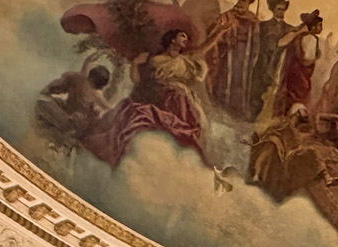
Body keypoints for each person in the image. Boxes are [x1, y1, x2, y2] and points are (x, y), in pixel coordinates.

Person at [84, 24, 228, 168]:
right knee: (164, 128)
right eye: (182, 35)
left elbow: (204, 47)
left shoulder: (185, 58)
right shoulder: (157, 60)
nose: (186, 39)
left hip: (184, 98)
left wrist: (219, 32)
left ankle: (186, 162)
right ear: (172, 40)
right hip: (165, 97)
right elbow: (141, 82)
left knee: (199, 125)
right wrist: (135, 64)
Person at [35, 58, 113, 153]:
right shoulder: (94, 94)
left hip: (68, 121)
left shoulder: (78, 79)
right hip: (69, 123)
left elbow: (55, 87)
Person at [204, 0, 263, 122]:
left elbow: (256, 42)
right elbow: (213, 33)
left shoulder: (253, 20)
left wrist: (253, 57)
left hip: (245, 58)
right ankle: (223, 113)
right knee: (225, 81)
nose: (240, 4)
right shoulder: (226, 16)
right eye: (239, 0)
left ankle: (239, 113)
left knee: (242, 83)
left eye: (244, 1)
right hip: (227, 55)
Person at [274, 10, 324, 117]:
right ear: (313, 27)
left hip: (293, 74)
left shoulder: (299, 36)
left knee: (291, 97)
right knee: (299, 98)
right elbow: (307, 59)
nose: (321, 28)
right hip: (301, 75)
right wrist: (316, 56)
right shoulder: (310, 38)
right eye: (319, 26)